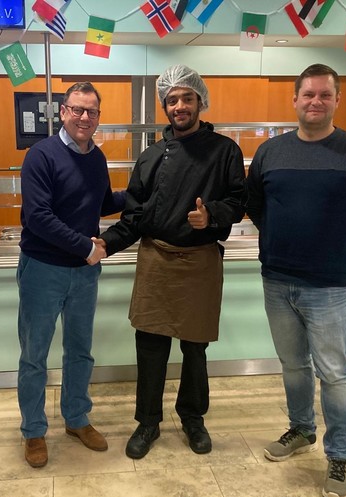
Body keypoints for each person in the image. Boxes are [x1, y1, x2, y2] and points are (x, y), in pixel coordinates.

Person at [245, 63, 346, 497]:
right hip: (277, 279)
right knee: (293, 365)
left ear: (336, 101)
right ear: (295, 99)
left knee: (333, 373)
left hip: (329, 285)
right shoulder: (271, 152)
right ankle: (301, 429)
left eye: (324, 95)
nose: (316, 102)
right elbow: (256, 205)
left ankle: (339, 455)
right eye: (308, 94)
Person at [96, 65, 246, 459]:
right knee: (150, 345)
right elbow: (134, 217)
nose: (180, 106)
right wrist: (105, 244)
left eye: (187, 98)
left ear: (200, 102)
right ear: (165, 106)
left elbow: (238, 202)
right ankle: (148, 422)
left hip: (200, 261)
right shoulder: (150, 157)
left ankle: (193, 418)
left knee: (195, 348)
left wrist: (210, 216)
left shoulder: (225, 151)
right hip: (156, 258)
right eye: (172, 99)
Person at [17, 81, 125, 468]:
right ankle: (33, 430)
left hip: (83, 274)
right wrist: (86, 247)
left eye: (91, 111)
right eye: (77, 109)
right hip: (43, 270)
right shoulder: (41, 155)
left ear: (98, 117)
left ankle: (76, 418)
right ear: (63, 112)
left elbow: (102, 202)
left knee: (80, 351)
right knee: (35, 355)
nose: (84, 117)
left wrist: (145, 192)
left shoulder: (96, 157)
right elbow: (38, 217)